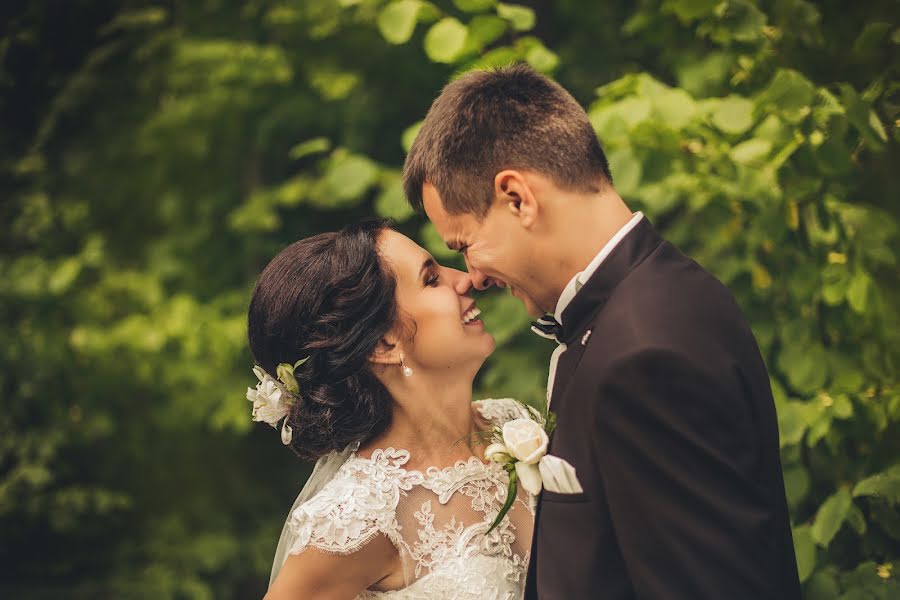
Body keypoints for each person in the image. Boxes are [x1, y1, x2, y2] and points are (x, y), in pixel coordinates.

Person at [404, 63, 802, 599]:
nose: (472, 276)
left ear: (517, 197)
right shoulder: (657, 300)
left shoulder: (645, 353)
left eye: (465, 244)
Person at [247, 219, 535, 599]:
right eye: (431, 280)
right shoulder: (358, 518)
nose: (463, 279)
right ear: (384, 344)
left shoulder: (515, 422)